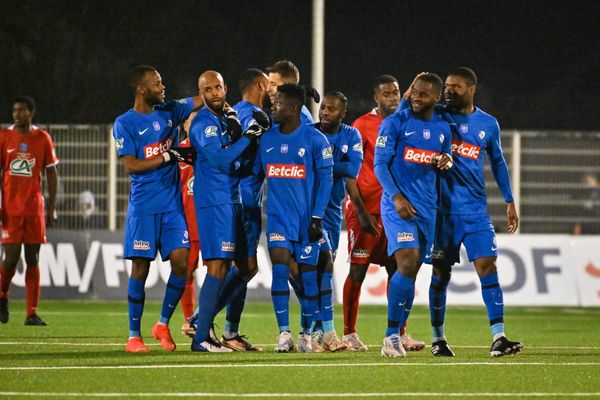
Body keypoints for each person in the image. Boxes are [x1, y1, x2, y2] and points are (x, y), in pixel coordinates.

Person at [405, 67, 523, 357]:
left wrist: (509, 200)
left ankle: (498, 337)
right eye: (446, 86)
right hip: (441, 213)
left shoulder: (488, 124)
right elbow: (407, 109)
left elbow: (497, 162)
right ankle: (438, 339)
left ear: (471, 90)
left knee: (488, 266)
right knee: (441, 275)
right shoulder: (436, 115)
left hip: (474, 212)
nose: (448, 91)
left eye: (456, 87)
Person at [113, 65, 201, 353]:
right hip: (144, 208)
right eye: (157, 83)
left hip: (171, 207)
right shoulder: (124, 123)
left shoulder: (170, 111)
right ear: (141, 88)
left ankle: (162, 323)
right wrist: (169, 155)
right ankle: (133, 336)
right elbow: (132, 165)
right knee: (140, 268)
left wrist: (221, 96)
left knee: (181, 261)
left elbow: (201, 99)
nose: (163, 87)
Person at [342, 75, 425, 352]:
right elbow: (350, 172)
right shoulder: (361, 125)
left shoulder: (405, 122)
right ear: (376, 98)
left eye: (396, 92)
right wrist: (361, 212)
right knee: (358, 271)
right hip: (365, 211)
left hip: (393, 212)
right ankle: (349, 333)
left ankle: (399, 332)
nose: (392, 97)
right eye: (386, 94)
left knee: (400, 270)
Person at [374, 73, 453, 358]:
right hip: (397, 206)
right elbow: (380, 165)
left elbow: (445, 158)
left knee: (414, 270)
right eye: (414, 92)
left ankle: (399, 332)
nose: (416, 97)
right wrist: (396, 197)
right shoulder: (395, 122)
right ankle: (390, 336)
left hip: (427, 209)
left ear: (435, 98)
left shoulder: (443, 128)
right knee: (406, 263)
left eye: (423, 94)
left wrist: (447, 159)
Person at [188, 70, 266, 353]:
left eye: (218, 87)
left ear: (225, 87)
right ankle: (201, 337)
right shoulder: (204, 123)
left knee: (246, 266)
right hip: (215, 201)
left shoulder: (225, 120)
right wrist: (249, 137)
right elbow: (220, 159)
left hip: (233, 200)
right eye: (208, 90)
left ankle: (203, 323)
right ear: (202, 95)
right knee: (218, 267)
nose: (215, 93)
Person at [252, 84, 333, 353]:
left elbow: (326, 180)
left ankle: (305, 334)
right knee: (280, 267)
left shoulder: (314, 139)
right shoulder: (267, 139)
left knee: (309, 278)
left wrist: (317, 218)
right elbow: (254, 175)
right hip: (277, 219)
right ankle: (284, 334)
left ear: (295, 107)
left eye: (278, 103)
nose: (273, 107)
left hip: (306, 220)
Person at [310, 91, 363, 352]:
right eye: (323, 108)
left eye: (331, 109)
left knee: (324, 269)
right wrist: (334, 164)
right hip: (307, 210)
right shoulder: (309, 131)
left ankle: (320, 331)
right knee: (315, 268)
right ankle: (317, 330)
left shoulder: (351, 135)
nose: (325, 112)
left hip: (332, 212)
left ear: (343, 113)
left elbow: (353, 169)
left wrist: (320, 164)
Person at [0, 96, 59, 326]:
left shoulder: (42, 138)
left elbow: (51, 173)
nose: (16, 114)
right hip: (10, 209)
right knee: (10, 258)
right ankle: (2, 296)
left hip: (34, 209)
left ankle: (31, 313)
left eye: (21, 110)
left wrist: (52, 207)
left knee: (33, 258)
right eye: (14, 110)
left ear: (30, 113)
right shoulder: (4, 137)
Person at [176, 111, 201, 336]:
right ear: (184, 125)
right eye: (191, 121)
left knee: (222, 271)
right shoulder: (178, 153)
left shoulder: (211, 147)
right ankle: (188, 320)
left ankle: (204, 317)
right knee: (187, 272)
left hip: (211, 221)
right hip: (187, 222)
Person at [266, 60, 315, 124]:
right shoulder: (275, 110)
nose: (268, 89)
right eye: (268, 83)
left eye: (273, 84)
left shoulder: (302, 120)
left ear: (288, 86)